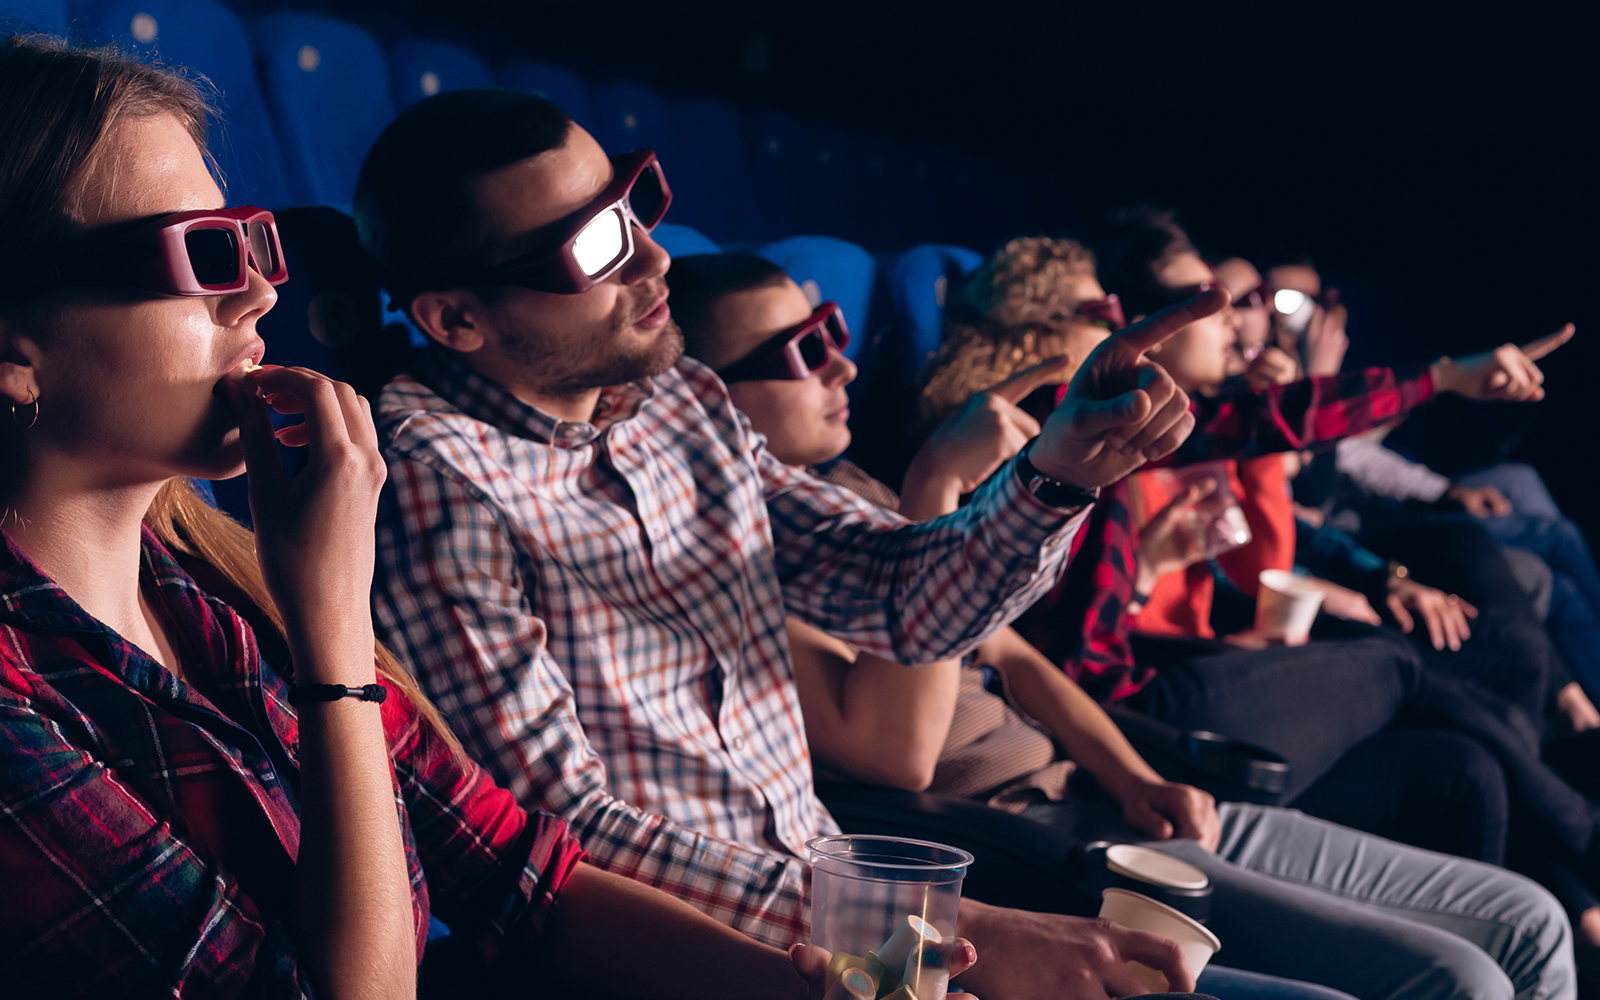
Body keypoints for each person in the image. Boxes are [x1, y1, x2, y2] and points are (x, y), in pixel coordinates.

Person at [0, 37, 977, 1000]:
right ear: (15, 350)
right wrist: (332, 636)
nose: (261, 291)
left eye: (253, 240)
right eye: (204, 254)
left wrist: (828, 990)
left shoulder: (214, 586)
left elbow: (522, 880)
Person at [357, 87, 1229, 1000]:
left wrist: (1058, 472)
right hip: (696, 966)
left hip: (842, 932)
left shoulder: (679, 400)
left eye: (634, 203)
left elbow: (900, 601)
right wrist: (938, 929)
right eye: (594, 245)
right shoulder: (433, 484)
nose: (655, 256)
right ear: (457, 320)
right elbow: (561, 836)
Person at [666, 248, 1579, 1000]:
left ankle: (1578, 865)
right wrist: (937, 489)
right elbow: (899, 751)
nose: (844, 362)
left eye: (834, 333)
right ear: (703, 398)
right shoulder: (750, 552)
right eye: (803, 350)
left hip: (1100, 778)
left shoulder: (855, 489)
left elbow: (1018, 661)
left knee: (1513, 898)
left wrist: (1136, 774)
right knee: (1461, 953)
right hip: (1023, 829)